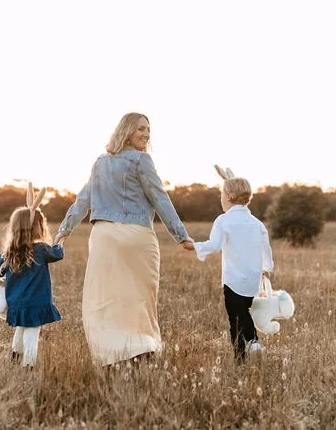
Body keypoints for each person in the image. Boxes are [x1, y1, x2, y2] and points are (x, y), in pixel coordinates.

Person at [54, 112, 194, 366]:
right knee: (140, 296)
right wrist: (180, 235)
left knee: (104, 298)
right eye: (141, 128)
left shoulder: (100, 163)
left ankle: (111, 353)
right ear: (127, 130)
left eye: (148, 130)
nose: (146, 134)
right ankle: (141, 347)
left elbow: (83, 200)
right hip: (136, 236)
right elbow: (159, 197)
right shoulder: (142, 160)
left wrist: (65, 229)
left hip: (104, 237)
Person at [193, 166, 274, 363]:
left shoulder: (224, 220)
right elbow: (266, 248)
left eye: (222, 193)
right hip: (252, 280)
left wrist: (194, 246)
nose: (221, 198)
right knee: (243, 312)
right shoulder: (256, 223)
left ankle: (250, 346)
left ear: (228, 195)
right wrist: (267, 268)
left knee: (235, 319)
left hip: (233, 280)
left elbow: (215, 245)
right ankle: (245, 352)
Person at [0, 197, 64, 367]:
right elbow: (58, 254)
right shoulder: (41, 250)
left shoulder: (9, 252)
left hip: (16, 302)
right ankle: (28, 367)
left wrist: (4, 263)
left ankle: (15, 359)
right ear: (36, 227)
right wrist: (60, 241)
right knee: (31, 334)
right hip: (36, 302)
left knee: (21, 329)